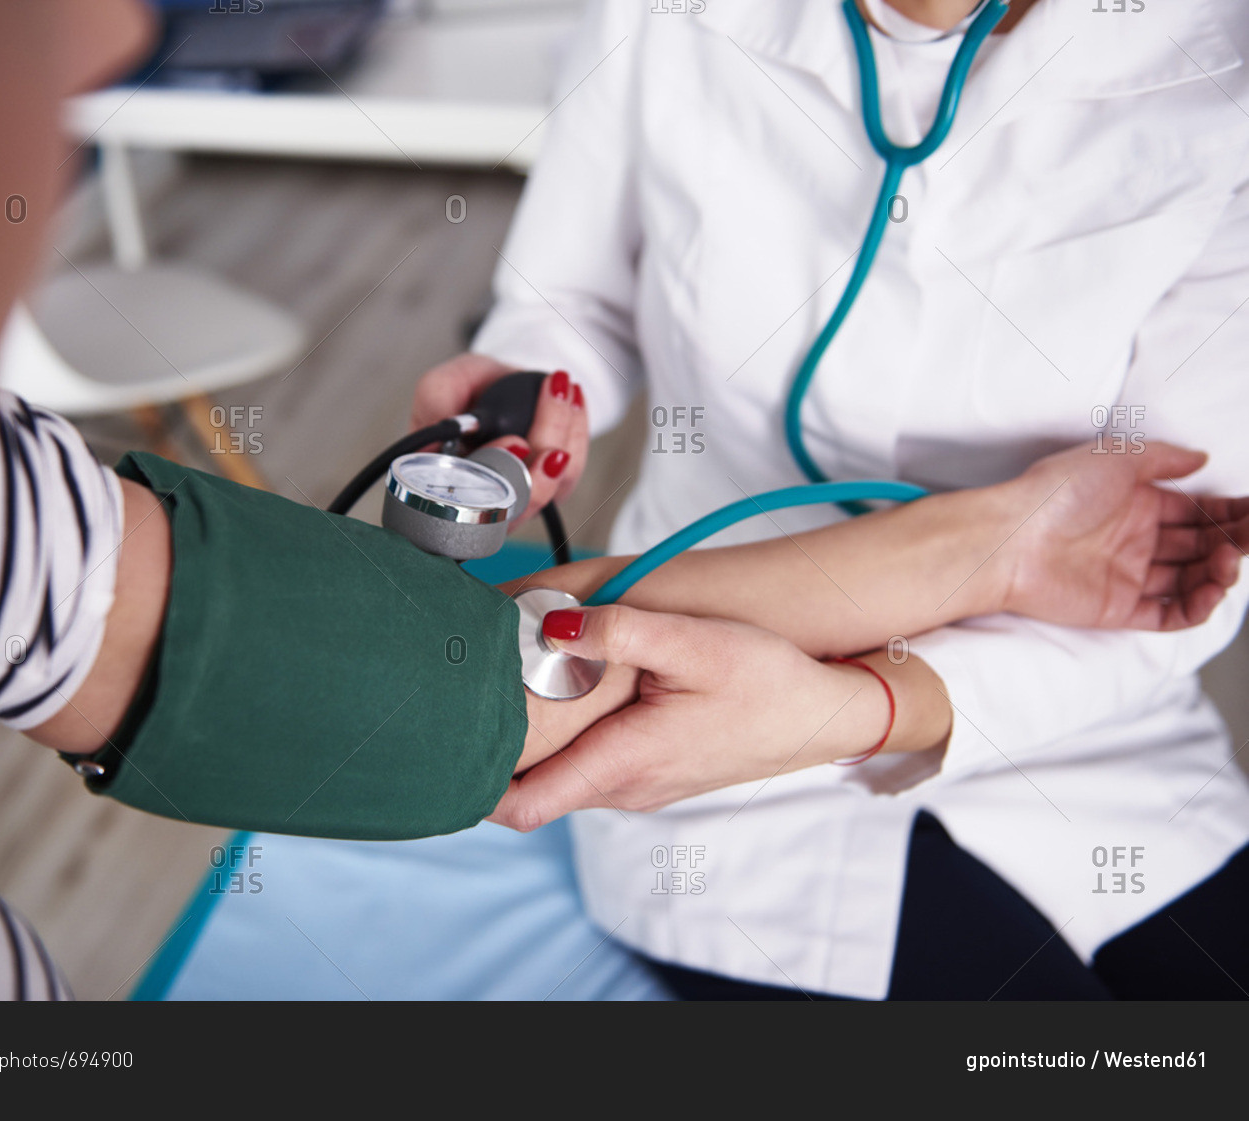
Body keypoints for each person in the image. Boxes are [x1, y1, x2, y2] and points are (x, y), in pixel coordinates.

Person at [0, 0, 1240, 1001]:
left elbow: (1174, 576)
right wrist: (998, 537)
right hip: (713, 767)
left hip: (1066, 727)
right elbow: (453, 668)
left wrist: (889, 682)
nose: (115, 35)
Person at [411, 0, 1249, 997]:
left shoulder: (1217, 63)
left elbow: (1191, 557)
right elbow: (566, 302)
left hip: (1061, 704)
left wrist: (861, 704)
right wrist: (530, 398)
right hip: (691, 711)